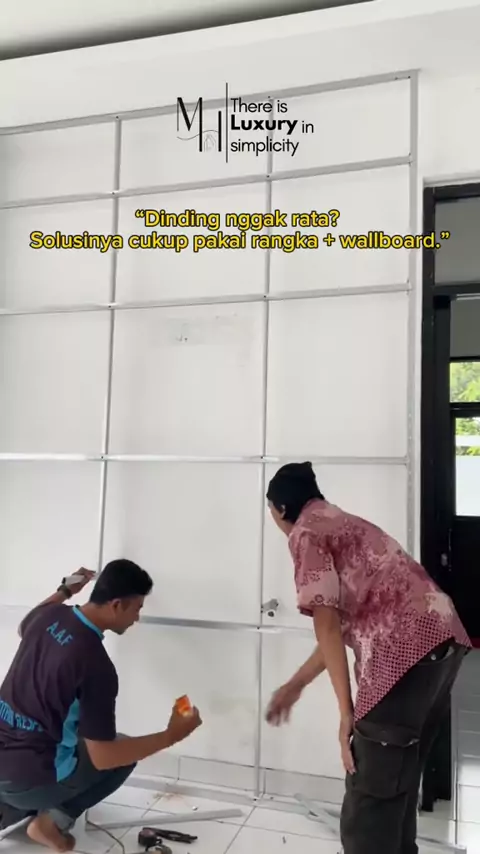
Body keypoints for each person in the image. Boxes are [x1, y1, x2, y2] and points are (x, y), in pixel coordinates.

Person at [264, 462, 471, 854]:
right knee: (399, 782)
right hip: (442, 644)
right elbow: (338, 632)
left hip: (403, 658)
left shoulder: (305, 533)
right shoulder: (344, 523)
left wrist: (348, 715)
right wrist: (296, 685)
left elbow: (327, 628)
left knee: (370, 801)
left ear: (281, 509)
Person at [0, 559, 202, 853]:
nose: (137, 618)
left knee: (64, 738)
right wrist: (171, 735)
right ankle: (51, 823)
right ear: (117, 605)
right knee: (122, 754)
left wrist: (66, 590)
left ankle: (11, 805)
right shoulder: (95, 665)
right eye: (137, 609)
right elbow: (105, 757)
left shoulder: (47, 615)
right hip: (28, 780)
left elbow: (25, 624)